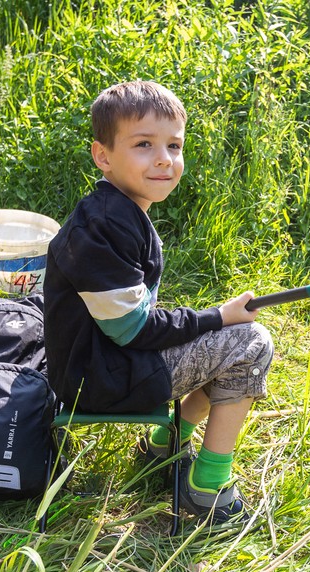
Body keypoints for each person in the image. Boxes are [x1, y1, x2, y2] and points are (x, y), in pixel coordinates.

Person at [43, 81, 274, 525]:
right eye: (144, 144)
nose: (165, 159)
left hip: (107, 364)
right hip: (98, 380)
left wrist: (215, 322)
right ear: (103, 156)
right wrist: (216, 317)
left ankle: (165, 446)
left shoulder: (120, 210)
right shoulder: (102, 228)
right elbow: (131, 328)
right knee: (251, 343)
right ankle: (207, 488)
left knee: (231, 336)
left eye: (174, 145)